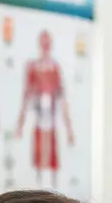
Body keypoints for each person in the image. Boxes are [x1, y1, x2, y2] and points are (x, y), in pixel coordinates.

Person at [13, 30, 72, 189]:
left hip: (51, 123)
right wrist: (20, 125)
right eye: (43, 42)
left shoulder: (55, 68)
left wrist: (69, 129)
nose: (46, 46)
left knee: (52, 163)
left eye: (48, 42)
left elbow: (62, 98)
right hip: (39, 121)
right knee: (39, 162)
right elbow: (26, 96)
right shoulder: (33, 67)